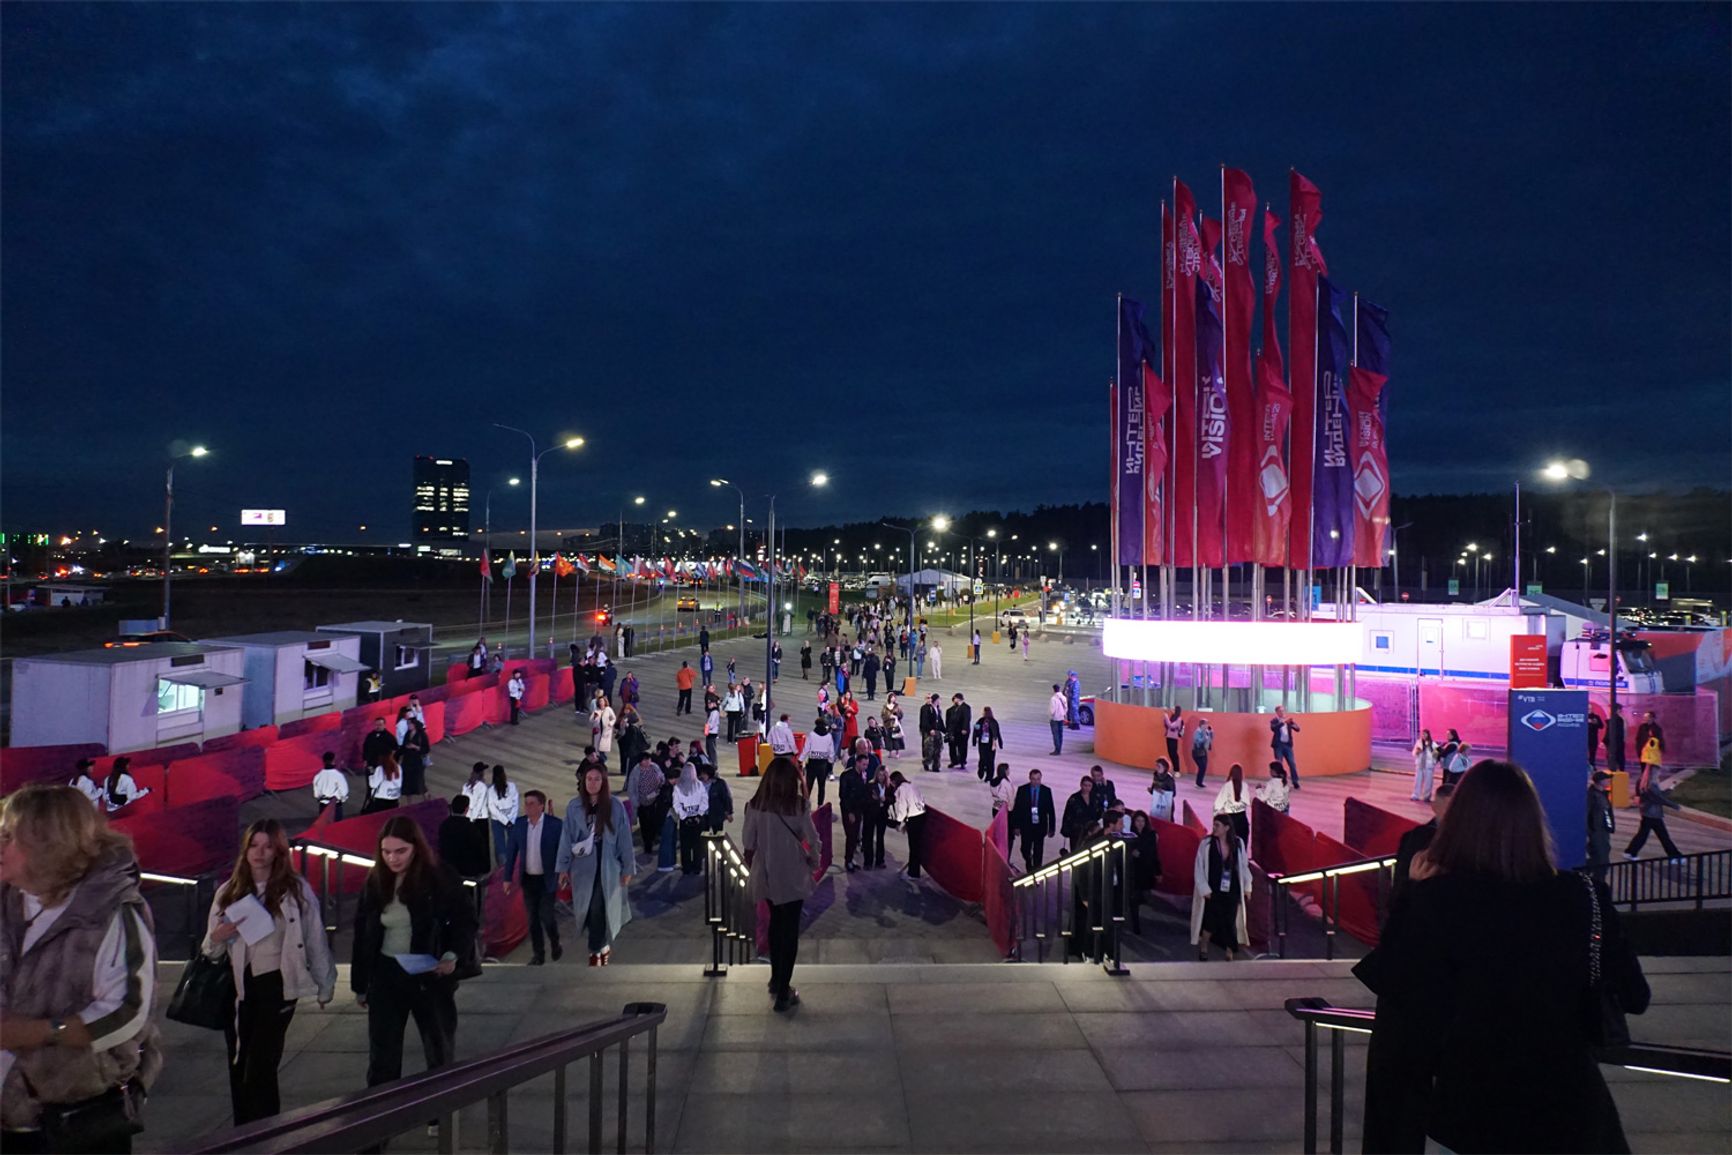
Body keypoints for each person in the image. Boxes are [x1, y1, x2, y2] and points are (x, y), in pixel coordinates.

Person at [1356, 760, 1650, 1155]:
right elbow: (1635, 995)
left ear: (1458, 822)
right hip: (1573, 1113)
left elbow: (1397, 991)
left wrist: (1410, 894)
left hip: (1474, 1114)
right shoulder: (1585, 896)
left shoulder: (1437, 902)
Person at [0, 785, 161, 1155]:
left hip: (75, 1121)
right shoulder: (7, 901)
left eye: (9, 836)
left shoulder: (110, 912)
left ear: (48, 843)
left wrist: (36, 1032)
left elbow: (127, 1014)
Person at [203, 819, 336, 1125]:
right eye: (254, 845)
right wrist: (218, 936)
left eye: (267, 846)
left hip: (277, 983)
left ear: (278, 851)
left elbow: (314, 937)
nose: (259, 853)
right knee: (239, 1065)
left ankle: (265, 1137)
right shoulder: (229, 891)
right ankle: (243, 1135)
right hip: (239, 987)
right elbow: (211, 950)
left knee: (260, 1067)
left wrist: (324, 982)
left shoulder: (295, 890)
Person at [352, 817, 475, 1096]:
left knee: (438, 1049)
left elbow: (465, 919)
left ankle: (439, 1110)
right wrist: (361, 984)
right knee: (382, 1055)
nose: (392, 859)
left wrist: (452, 955)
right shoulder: (376, 880)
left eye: (400, 851)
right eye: (386, 852)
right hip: (386, 973)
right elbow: (363, 932)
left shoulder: (439, 876)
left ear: (416, 848)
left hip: (429, 974)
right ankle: (382, 1113)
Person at [742, 757, 821, 1012]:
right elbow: (813, 839)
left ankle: (776, 980)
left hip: (767, 873)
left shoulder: (755, 806)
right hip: (793, 873)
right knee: (790, 929)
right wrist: (814, 861)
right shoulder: (798, 806)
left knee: (776, 924)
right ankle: (784, 990)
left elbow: (748, 841)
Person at [557, 765, 636, 966]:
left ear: (604, 782)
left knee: (599, 906)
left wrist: (628, 868)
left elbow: (624, 839)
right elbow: (566, 838)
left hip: (608, 865)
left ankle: (595, 950)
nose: (593, 783)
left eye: (597, 779)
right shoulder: (574, 807)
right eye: (589, 779)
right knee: (588, 908)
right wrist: (563, 868)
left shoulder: (615, 806)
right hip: (583, 867)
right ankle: (602, 945)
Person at [501, 790, 562, 965]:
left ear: (541, 806)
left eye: (531, 803)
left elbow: (562, 851)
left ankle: (555, 941)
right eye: (526, 803)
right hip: (528, 879)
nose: (527, 807)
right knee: (532, 919)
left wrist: (564, 872)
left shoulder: (555, 825)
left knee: (547, 916)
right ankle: (538, 954)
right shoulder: (520, 825)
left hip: (547, 879)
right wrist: (507, 878)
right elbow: (511, 852)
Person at [1191, 813, 1252, 961]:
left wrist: (1247, 886)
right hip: (1213, 889)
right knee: (1210, 920)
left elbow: (1243, 866)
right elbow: (1199, 867)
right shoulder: (1207, 844)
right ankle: (1204, 946)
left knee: (1230, 920)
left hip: (1232, 889)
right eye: (1214, 825)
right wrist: (1204, 889)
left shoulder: (1238, 843)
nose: (1214, 828)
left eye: (1217, 825)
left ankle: (1229, 950)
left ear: (1226, 828)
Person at [1392, 784, 1454, 894]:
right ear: (1434, 807)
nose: (1452, 814)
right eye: (1447, 809)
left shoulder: (1465, 839)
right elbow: (1400, 883)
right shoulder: (1415, 838)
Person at [1625, 765, 1683, 860]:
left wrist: (1671, 787)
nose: (1659, 774)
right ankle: (1675, 856)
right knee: (1663, 837)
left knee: (1644, 835)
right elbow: (1659, 799)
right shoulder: (1650, 786)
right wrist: (1674, 805)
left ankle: (1630, 852)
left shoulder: (1644, 783)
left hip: (1648, 814)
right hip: (1653, 814)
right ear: (1653, 773)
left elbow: (1659, 796)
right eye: (1657, 772)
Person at [437, 796, 492, 881]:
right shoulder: (471, 828)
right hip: (468, 871)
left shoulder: (444, 825)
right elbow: (480, 849)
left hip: (449, 869)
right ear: (466, 810)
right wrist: (484, 868)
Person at [1011, 769, 1056, 871]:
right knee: (1025, 849)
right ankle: (1029, 861)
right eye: (1033, 779)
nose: (1036, 782)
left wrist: (1052, 828)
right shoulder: (1022, 790)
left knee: (1038, 851)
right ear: (1029, 778)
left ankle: (1035, 870)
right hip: (1026, 825)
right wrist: (1016, 826)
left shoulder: (1046, 791)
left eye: (1038, 779)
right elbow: (1017, 809)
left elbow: (1051, 810)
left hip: (1040, 826)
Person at [888, 771, 928, 879]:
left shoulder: (901, 789)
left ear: (894, 781)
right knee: (916, 846)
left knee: (914, 847)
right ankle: (914, 871)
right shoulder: (911, 785)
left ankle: (913, 873)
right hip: (921, 815)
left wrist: (898, 822)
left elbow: (902, 807)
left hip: (914, 818)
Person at [670, 763, 709, 875]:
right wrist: (699, 814)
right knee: (698, 844)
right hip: (698, 819)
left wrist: (684, 816)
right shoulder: (699, 785)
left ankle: (686, 867)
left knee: (685, 845)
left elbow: (676, 804)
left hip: (685, 820)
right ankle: (697, 867)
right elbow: (705, 801)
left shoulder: (678, 787)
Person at [1127, 810, 1162, 935]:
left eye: (1142, 821)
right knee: (1134, 898)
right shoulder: (1129, 835)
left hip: (1146, 869)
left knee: (1144, 896)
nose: (1140, 823)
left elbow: (1154, 854)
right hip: (1134, 871)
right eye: (1138, 821)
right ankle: (1135, 924)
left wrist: (1158, 871)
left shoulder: (1151, 835)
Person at [624, 753, 666, 856]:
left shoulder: (655, 767)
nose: (648, 762)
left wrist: (660, 781)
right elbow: (631, 789)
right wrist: (635, 802)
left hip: (654, 800)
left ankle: (651, 839)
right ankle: (647, 844)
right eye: (645, 760)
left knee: (653, 822)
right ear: (640, 761)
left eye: (649, 759)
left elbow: (662, 778)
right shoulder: (636, 771)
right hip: (642, 803)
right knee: (644, 824)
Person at [837, 754, 870, 872]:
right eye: (864, 764)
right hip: (849, 809)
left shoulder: (862, 775)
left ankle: (850, 859)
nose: (865, 767)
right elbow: (843, 795)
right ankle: (848, 861)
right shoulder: (847, 775)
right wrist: (849, 812)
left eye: (866, 765)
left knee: (855, 835)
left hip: (858, 809)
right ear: (857, 762)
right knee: (850, 835)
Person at [484, 766, 520, 866]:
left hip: (498, 819)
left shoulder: (491, 790)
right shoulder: (511, 786)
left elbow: (492, 808)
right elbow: (515, 804)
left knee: (500, 844)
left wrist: (507, 820)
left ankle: (503, 866)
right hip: (509, 819)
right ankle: (512, 864)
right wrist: (510, 819)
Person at [1586, 770, 1616, 882]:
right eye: (1607, 779)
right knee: (1600, 857)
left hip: (1603, 830)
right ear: (1600, 781)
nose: (1609, 781)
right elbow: (1587, 813)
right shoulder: (1592, 796)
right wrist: (1590, 831)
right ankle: (1597, 880)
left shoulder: (1602, 794)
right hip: (1596, 831)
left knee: (1602, 854)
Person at [1213, 763, 1251, 843]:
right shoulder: (1245, 785)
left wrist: (1215, 817)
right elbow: (1248, 801)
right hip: (1242, 819)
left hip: (1230, 819)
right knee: (1242, 844)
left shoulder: (1227, 786)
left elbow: (1218, 804)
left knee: (1229, 844)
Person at [1060, 775, 1097, 853]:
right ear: (1081, 785)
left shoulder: (1095, 798)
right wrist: (1065, 829)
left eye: (1089, 786)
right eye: (1085, 785)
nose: (1087, 788)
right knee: (1076, 851)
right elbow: (1067, 814)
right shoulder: (1074, 798)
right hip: (1076, 832)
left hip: (1091, 832)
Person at [803, 718, 835, 806]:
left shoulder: (812, 735)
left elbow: (806, 749)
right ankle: (820, 805)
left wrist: (801, 759)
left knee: (808, 785)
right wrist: (830, 762)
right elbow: (831, 752)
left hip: (812, 762)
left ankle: (805, 804)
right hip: (823, 763)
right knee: (822, 786)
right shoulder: (828, 736)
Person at [312, 752, 350, 821]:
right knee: (336, 825)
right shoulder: (338, 775)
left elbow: (316, 794)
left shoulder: (318, 776)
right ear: (333, 761)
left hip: (323, 806)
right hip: (335, 806)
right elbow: (344, 792)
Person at [699, 763, 733, 833]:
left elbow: (726, 798)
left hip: (716, 815)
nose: (702, 776)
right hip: (703, 816)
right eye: (701, 774)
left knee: (718, 834)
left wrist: (729, 812)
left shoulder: (719, 784)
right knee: (703, 835)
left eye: (704, 774)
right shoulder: (698, 784)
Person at [972, 707, 1002, 782]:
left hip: (991, 744)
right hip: (982, 743)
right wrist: (974, 740)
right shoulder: (980, 721)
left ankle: (989, 776)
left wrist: (999, 743)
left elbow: (997, 733)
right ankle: (981, 771)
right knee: (983, 758)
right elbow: (975, 730)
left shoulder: (993, 722)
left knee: (990, 760)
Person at [944, 693, 971, 772]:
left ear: (958, 699)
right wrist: (948, 730)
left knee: (962, 747)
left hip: (962, 731)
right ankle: (954, 761)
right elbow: (948, 721)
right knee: (952, 747)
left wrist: (964, 728)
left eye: (955, 699)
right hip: (953, 731)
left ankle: (962, 761)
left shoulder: (966, 707)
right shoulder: (951, 709)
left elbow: (967, 719)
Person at [1410, 730, 1439, 803]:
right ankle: (1416, 795)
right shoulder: (1419, 743)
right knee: (1418, 781)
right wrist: (1417, 752)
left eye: (1425, 734)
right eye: (1422, 734)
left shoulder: (1433, 744)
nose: (1424, 736)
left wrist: (1433, 762)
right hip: (1420, 765)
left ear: (1428, 735)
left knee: (1428, 782)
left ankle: (1427, 796)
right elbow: (1413, 753)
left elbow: (1436, 755)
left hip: (1428, 765)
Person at [918, 693, 943, 773]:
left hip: (937, 732)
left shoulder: (938, 709)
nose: (940, 701)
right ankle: (926, 762)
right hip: (929, 732)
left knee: (938, 749)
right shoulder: (926, 709)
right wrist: (929, 730)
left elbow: (940, 720)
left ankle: (936, 766)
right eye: (939, 699)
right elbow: (925, 720)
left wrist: (944, 730)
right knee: (929, 750)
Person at [590, 695, 618, 767]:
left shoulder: (608, 709)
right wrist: (595, 718)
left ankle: (603, 760)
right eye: (600, 701)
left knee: (602, 748)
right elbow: (591, 720)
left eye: (602, 701)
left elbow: (614, 718)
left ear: (605, 702)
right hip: (598, 731)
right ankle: (601, 761)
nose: (601, 703)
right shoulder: (596, 711)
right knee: (598, 748)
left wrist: (610, 723)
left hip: (606, 731)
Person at [1190, 717, 1214, 789]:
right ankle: (1198, 782)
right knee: (1201, 766)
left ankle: (1200, 782)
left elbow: (1210, 740)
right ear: (1202, 725)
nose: (1207, 726)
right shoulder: (1197, 732)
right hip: (1197, 752)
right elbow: (1197, 741)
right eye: (1206, 724)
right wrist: (1204, 737)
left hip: (1204, 751)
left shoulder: (1206, 731)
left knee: (1204, 767)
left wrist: (1211, 733)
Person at [1163, 706, 1186, 781]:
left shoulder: (1179, 719)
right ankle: (1173, 769)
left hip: (1174, 738)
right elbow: (1167, 725)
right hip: (1168, 737)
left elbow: (1171, 726)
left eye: (1173, 709)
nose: (1171, 710)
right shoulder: (1172, 717)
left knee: (1174, 754)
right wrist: (1165, 719)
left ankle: (1177, 770)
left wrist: (1165, 715)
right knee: (1170, 753)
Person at [1604, 703, 1627, 774]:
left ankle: (1616, 773)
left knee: (1616, 758)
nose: (1609, 710)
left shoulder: (1618, 719)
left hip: (1615, 743)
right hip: (1617, 743)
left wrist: (1605, 741)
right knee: (1618, 758)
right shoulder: (1619, 719)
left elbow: (1612, 732)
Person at [1048, 684, 1069, 756]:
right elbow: (1066, 708)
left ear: (1053, 690)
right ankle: (1060, 748)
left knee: (1055, 735)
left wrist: (1050, 716)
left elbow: (1052, 711)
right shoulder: (1064, 698)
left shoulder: (1053, 699)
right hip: (1061, 718)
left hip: (1055, 719)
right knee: (1060, 734)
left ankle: (1057, 750)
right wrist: (1063, 714)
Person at [703, 699, 721, 769]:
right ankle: (712, 762)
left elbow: (712, 723)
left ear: (714, 704)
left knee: (711, 749)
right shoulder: (712, 712)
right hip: (710, 732)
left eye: (710, 703)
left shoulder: (715, 712)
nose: (708, 705)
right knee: (709, 748)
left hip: (712, 732)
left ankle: (713, 764)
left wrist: (707, 727)